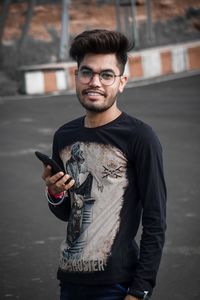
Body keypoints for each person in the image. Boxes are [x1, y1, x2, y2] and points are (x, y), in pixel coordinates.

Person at [42, 29, 167, 300]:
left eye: (106, 75)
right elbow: (67, 213)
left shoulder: (140, 137)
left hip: (117, 285)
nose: (94, 82)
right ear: (76, 77)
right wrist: (55, 192)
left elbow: (155, 219)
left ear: (121, 82)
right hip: (70, 279)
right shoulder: (64, 136)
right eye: (87, 73)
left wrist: (140, 290)